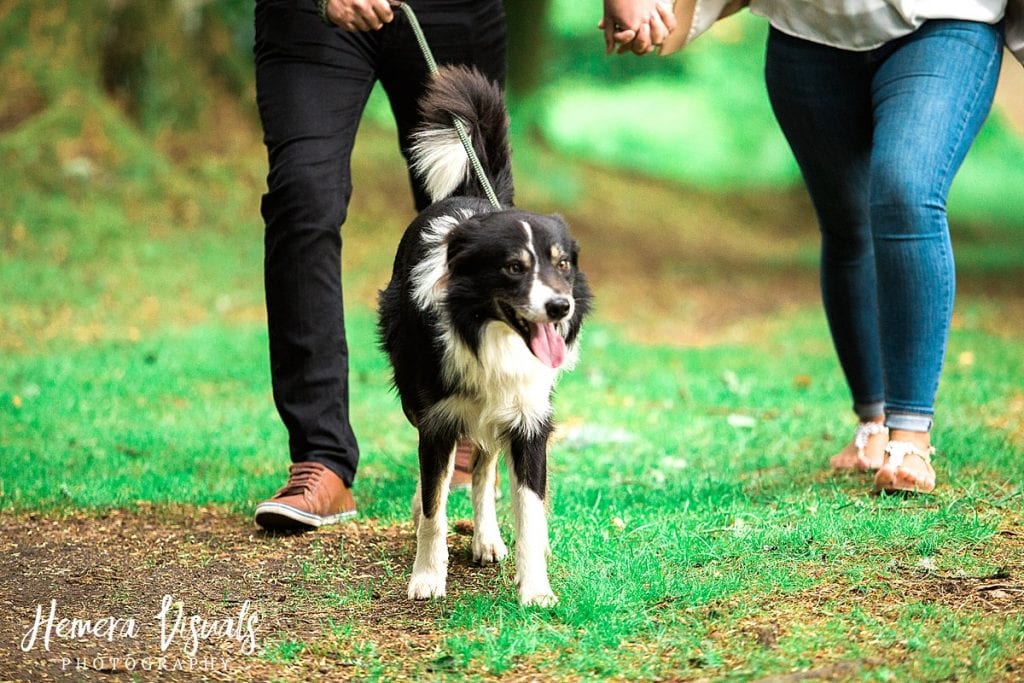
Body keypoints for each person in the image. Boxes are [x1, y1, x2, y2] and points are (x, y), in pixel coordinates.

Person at [601, 0, 1019, 493]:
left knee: (905, 193)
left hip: (944, 24)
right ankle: (872, 422)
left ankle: (910, 436)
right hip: (808, 40)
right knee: (846, 224)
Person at [253, 0, 507, 531]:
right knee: (303, 197)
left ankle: (470, 433)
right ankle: (320, 460)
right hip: (309, 15)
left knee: (472, 213)